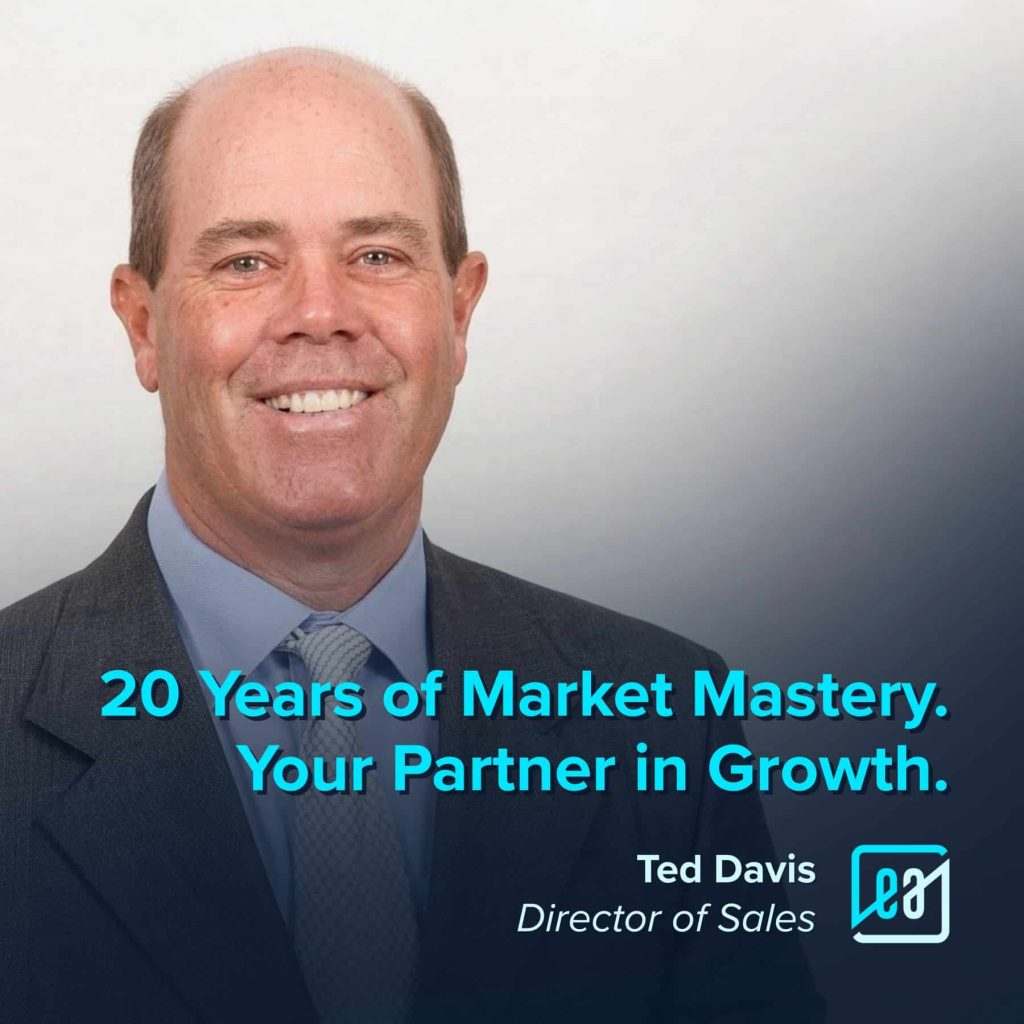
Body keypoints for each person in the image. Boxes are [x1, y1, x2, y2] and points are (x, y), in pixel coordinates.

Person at [0, 48, 824, 1023]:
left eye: (377, 256)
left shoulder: (665, 722)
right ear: (143, 326)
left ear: (460, 310)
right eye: (246, 261)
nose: (320, 314)